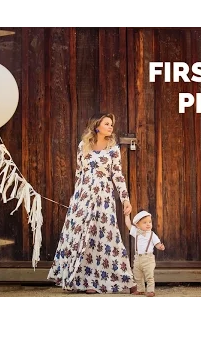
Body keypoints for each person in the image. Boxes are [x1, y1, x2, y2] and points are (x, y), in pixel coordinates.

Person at [47, 112, 135, 294]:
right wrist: (75, 198)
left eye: (112, 124)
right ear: (97, 126)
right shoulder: (83, 146)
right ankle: (86, 282)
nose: (111, 127)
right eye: (107, 124)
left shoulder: (113, 149)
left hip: (104, 196)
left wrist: (125, 199)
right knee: (81, 236)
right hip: (84, 195)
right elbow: (80, 173)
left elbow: (117, 175)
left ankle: (108, 280)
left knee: (103, 237)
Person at [125, 210, 165, 297]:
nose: (148, 224)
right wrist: (127, 216)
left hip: (148, 258)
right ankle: (140, 290)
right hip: (137, 259)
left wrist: (160, 246)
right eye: (145, 222)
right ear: (137, 225)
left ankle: (151, 290)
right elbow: (128, 224)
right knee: (137, 275)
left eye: (150, 222)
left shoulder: (152, 234)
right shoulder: (136, 232)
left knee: (149, 275)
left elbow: (157, 243)